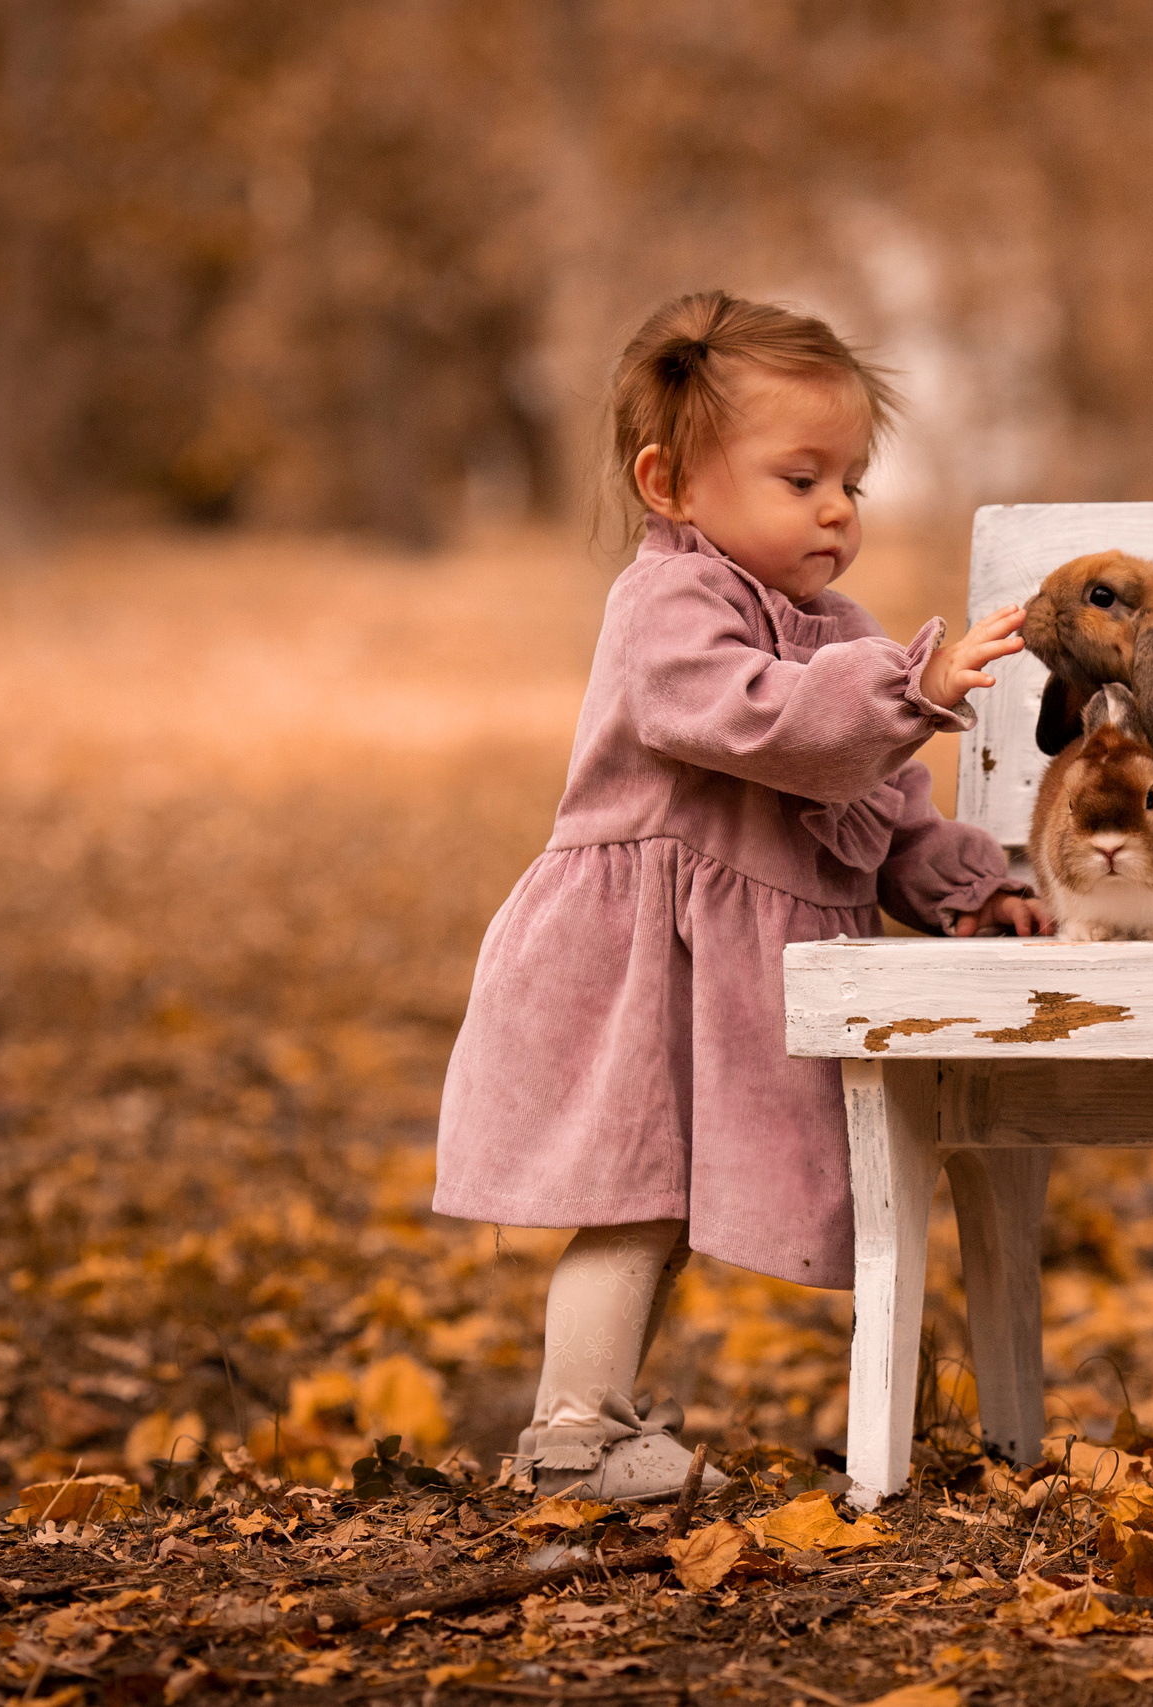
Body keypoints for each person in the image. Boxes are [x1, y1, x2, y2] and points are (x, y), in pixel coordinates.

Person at [433, 291, 1047, 1500]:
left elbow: (880, 810)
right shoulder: (668, 607)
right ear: (671, 486)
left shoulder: (839, 632)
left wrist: (964, 890)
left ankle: (600, 1424)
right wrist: (905, 684)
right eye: (800, 477)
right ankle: (572, 1432)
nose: (834, 510)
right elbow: (744, 719)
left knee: (668, 1197)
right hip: (641, 954)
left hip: (745, 969)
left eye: (851, 483)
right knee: (631, 1192)